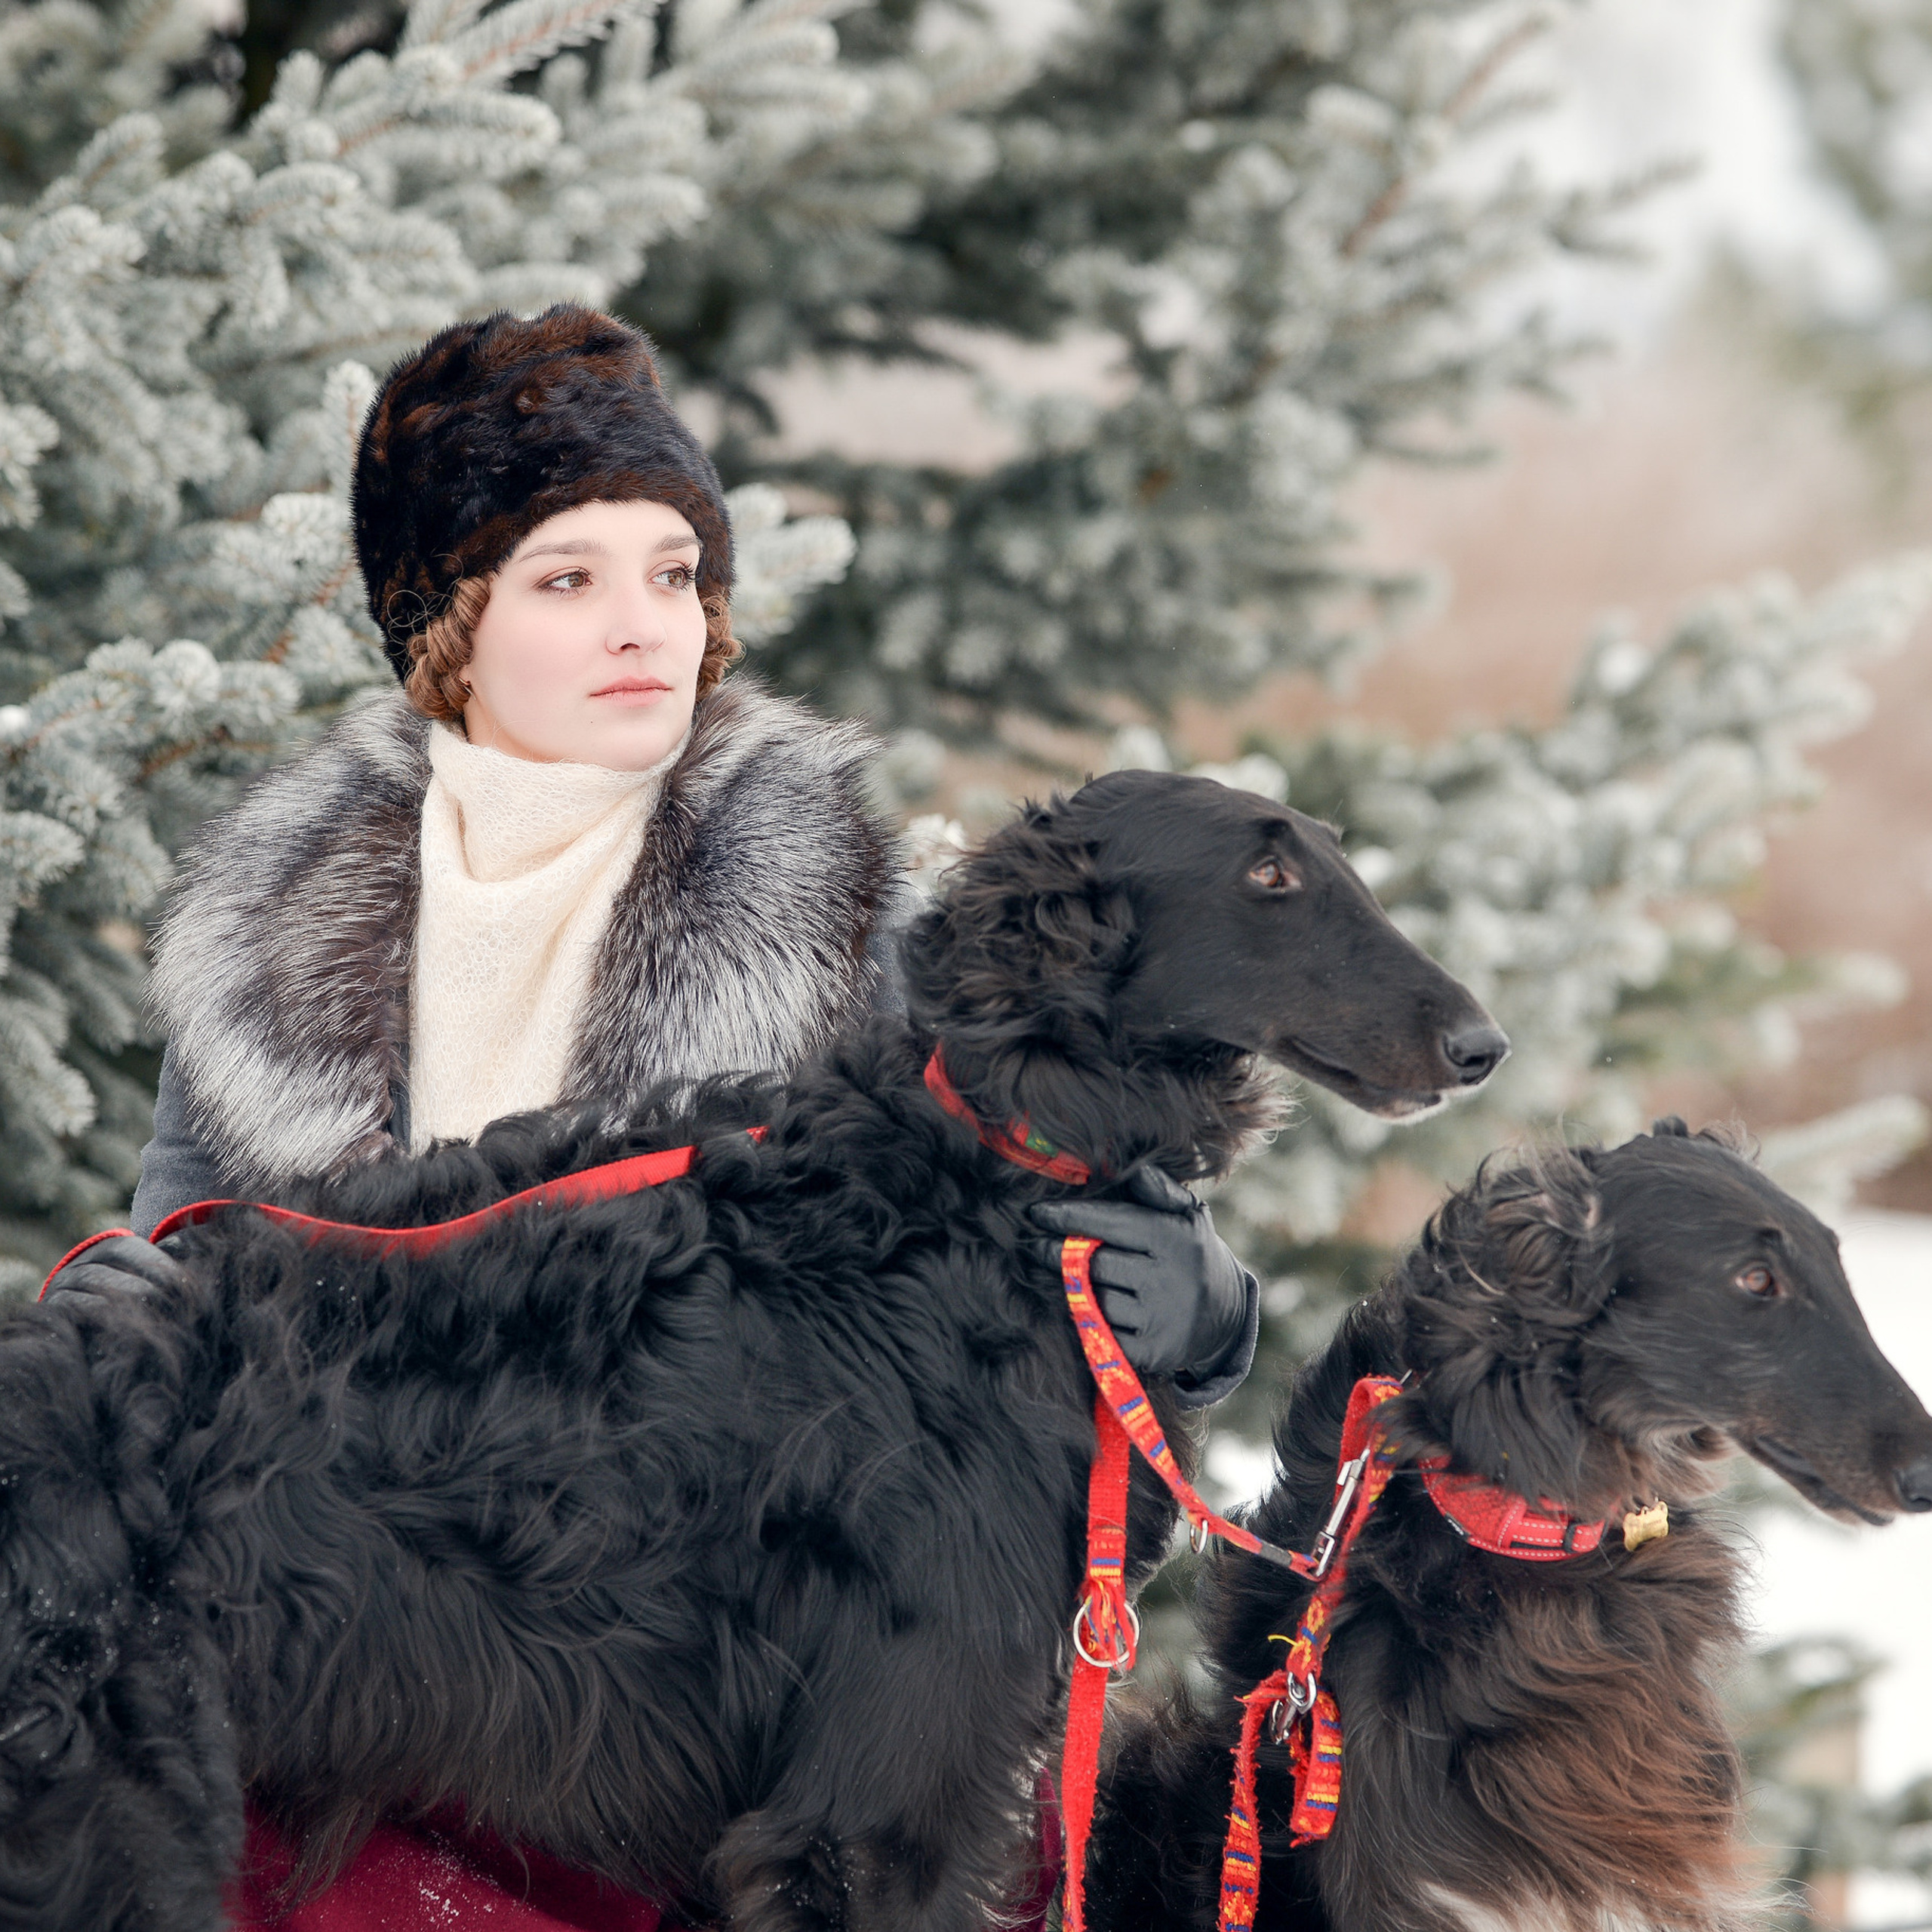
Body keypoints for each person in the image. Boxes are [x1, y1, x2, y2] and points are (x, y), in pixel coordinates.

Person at [52, 301, 1260, 1401]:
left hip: (700, 1594)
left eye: (674, 576)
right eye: (569, 579)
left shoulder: (835, 913)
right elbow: (187, 1247)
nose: (641, 626)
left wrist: (1203, 1321)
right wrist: (125, 1314)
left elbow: (1009, 1298)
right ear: (452, 636)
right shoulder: (271, 932)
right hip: (345, 1578)